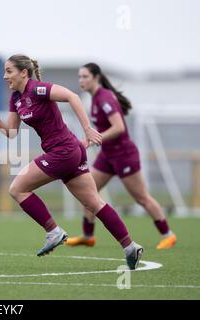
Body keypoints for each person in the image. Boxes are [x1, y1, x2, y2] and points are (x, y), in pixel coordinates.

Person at [0, 54, 144, 270]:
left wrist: (88, 129)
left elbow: (72, 96)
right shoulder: (15, 98)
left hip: (63, 151)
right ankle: (130, 247)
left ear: (24, 73)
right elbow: (11, 132)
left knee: (17, 189)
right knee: (94, 203)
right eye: (5, 71)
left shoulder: (38, 89)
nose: (4, 76)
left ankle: (53, 231)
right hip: (69, 152)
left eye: (9, 71)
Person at [66, 63, 177, 250]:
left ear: (96, 77)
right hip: (107, 156)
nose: (81, 81)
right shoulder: (94, 99)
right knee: (87, 192)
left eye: (85, 77)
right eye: (79, 77)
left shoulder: (104, 98)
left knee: (141, 198)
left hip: (124, 155)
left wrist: (92, 139)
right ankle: (88, 236)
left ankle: (168, 235)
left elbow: (119, 128)